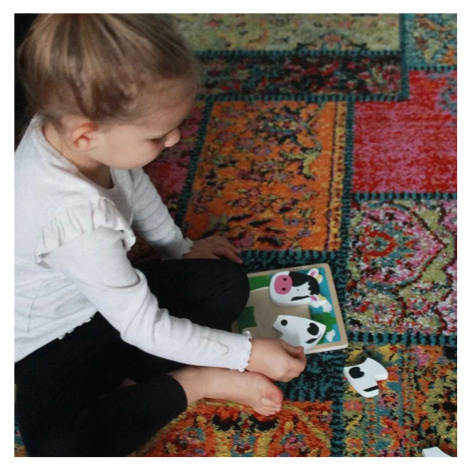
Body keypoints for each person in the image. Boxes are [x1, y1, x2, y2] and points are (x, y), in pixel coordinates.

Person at [14, 14, 307, 457]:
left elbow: (134, 185)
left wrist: (180, 250)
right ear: (86, 136)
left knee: (224, 281)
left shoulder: (71, 134)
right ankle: (196, 381)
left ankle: (137, 385)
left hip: (107, 307)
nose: (173, 140)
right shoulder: (74, 220)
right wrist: (247, 354)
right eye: (157, 135)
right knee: (63, 449)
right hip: (46, 344)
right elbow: (143, 327)